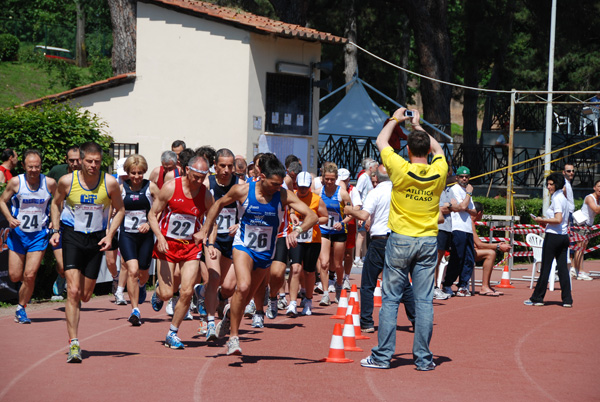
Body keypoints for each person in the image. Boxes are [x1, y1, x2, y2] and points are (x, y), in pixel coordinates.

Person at [195, 153, 318, 356]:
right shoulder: (243, 190)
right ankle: (234, 338)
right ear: (262, 177)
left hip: (265, 252)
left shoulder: (283, 195)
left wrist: (296, 231)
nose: (277, 188)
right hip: (243, 245)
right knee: (241, 286)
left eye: (280, 184)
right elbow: (217, 204)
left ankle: (227, 318)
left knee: (245, 298)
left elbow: (311, 216)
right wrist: (204, 230)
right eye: (274, 184)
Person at [360, 107, 447, 371]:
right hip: (428, 241)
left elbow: (381, 141)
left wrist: (396, 119)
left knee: (389, 300)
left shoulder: (399, 168)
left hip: (400, 240)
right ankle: (423, 359)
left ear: (408, 150)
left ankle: (383, 356)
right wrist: (418, 126)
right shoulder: (439, 170)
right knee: (423, 302)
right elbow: (439, 150)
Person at [50, 142, 125, 363]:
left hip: (96, 239)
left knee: (86, 295)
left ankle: (80, 303)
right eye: (89, 161)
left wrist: (110, 235)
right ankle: (74, 343)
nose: (93, 165)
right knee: (73, 291)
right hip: (72, 235)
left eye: (97, 162)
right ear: (81, 160)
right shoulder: (67, 181)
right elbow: (56, 204)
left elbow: (120, 209)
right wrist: (55, 230)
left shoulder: (109, 183)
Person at [148, 155, 214, 349]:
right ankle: (159, 294)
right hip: (167, 245)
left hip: (191, 247)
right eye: (196, 177)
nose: (199, 181)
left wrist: (208, 241)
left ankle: (172, 332)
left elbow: (212, 220)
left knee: (186, 291)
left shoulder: (206, 195)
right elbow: (152, 214)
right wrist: (159, 236)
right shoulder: (170, 187)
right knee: (168, 293)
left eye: (203, 177)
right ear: (186, 170)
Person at [344, 165, 415, 333]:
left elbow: (363, 215)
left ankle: (367, 322)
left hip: (379, 241)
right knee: (403, 282)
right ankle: (416, 319)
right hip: (398, 239)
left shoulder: (375, 193)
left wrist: (349, 210)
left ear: (376, 177)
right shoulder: (402, 192)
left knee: (368, 283)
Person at [0, 149, 57, 324]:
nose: (34, 170)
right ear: (24, 165)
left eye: (37, 166)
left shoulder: (50, 183)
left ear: (41, 166)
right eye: (30, 166)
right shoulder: (16, 182)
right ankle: (21, 302)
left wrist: (54, 222)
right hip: (18, 235)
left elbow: (57, 202)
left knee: (30, 274)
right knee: (15, 276)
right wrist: (10, 218)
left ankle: (21, 308)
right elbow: (2, 200)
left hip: (39, 235)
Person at [199, 148, 239, 341]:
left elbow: (250, 210)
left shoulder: (241, 185)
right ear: (215, 166)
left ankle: (219, 300)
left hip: (233, 241)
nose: (226, 170)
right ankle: (209, 323)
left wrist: (240, 224)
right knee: (213, 279)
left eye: (229, 166)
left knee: (229, 286)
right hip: (212, 239)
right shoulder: (208, 184)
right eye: (222, 166)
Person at [118, 155, 159, 325]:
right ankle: (135, 310)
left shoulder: (151, 187)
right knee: (132, 270)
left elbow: (162, 207)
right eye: (133, 173)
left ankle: (143, 286)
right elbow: (113, 208)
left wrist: (150, 223)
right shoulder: (121, 188)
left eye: (140, 173)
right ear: (127, 172)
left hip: (146, 236)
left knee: (143, 273)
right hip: (127, 235)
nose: (136, 176)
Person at [525, 173, 573, 308]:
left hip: (553, 237)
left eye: (551, 184)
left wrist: (542, 220)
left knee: (545, 268)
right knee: (563, 269)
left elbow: (557, 219)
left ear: (557, 184)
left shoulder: (557, 198)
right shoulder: (564, 199)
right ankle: (567, 300)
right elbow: (561, 221)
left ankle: (537, 298)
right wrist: (545, 223)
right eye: (548, 184)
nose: (549, 186)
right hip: (563, 237)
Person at [286, 171, 328, 316]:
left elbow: (325, 218)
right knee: (295, 268)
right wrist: (291, 214)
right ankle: (292, 302)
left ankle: (308, 300)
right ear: (296, 184)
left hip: (313, 239)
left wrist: (312, 220)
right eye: (301, 187)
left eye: (306, 187)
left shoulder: (316, 199)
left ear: (309, 185)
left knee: (309, 272)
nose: (303, 190)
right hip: (295, 239)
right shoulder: (291, 197)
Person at [46, 146, 81, 297]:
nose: (75, 163)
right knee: (61, 265)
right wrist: (51, 218)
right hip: (59, 222)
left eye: (78, 160)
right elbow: (46, 193)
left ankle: (73, 291)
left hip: (80, 224)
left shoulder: (89, 176)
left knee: (77, 261)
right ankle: (61, 278)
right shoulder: (57, 172)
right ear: (66, 160)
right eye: (71, 160)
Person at [317, 162, 352, 306]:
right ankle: (325, 294)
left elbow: (351, 214)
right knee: (324, 263)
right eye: (327, 179)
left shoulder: (342, 193)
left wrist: (342, 222)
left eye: (332, 179)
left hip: (338, 231)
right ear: (323, 178)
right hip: (324, 230)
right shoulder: (318, 192)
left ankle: (338, 286)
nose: (329, 182)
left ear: (336, 178)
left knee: (337, 264)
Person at [441, 166, 477, 297]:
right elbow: (461, 206)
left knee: (469, 258)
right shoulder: (454, 190)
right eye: (462, 176)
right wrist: (468, 196)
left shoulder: (468, 192)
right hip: (457, 227)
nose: (464, 179)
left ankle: (463, 285)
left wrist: (465, 205)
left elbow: (473, 211)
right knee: (457, 257)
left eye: (466, 177)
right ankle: (447, 284)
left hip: (467, 228)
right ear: (457, 177)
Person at [470, 202, 511, 295]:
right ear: (479, 213)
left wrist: (496, 245)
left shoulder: (470, 222)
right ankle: (484, 287)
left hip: (468, 250)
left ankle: (487, 285)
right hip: (463, 253)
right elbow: (479, 244)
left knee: (490, 252)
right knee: (490, 253)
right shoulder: (470, 222)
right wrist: (498, 246)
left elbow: (476, 244)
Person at [571, 179, 600, 280]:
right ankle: (580, 271)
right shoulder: (590, 198)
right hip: (581, 225)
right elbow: (596, 209)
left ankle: (575, 268)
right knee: (580, 248)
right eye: (599, 186)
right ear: (594, 188)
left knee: (582, 248)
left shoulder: (598, 200)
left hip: (587, 225)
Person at [433, 172, 455, 300]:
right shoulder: (436, 188)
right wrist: (449, 206)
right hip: (438, 227)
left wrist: (450, 206)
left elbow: (456, 206)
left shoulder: (448, 190)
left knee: (439, 259)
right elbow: (440, 208)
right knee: (434, 259)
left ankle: (435, 287)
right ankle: (433, 287)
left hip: (447, 228)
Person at [354, 158, 378, 268]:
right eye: (376, 167)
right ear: (371, 168)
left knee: (364, 234)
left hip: (367, 208)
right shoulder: (363, 178)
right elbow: (357, 192)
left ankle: (363, 256)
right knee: (361, 234)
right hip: (363, 208)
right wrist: (358, 209)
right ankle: (357, 257)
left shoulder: (367, 178)